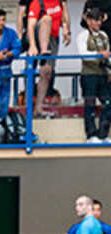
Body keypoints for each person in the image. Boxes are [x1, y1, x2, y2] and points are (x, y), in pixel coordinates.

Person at [26, 0, 71, 119]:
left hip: (52, 38)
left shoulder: (58, 3)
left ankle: (38, 108)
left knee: (46, 73)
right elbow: (30, 25)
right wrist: (32, 45)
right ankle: (43, 49)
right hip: (37, 34)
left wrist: (66, 29)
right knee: (47, 19)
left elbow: (64, 21)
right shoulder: (37, 3)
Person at [77, 7, 111, 143]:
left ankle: (103, 134)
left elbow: (108, 56)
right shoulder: (83, 36)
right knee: (90, 104)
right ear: (89, 21)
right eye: (95, 20)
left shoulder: (104, 36)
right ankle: (91, 135)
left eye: (99, 20)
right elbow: (84, 55)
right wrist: (99, 54)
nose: (98, 23)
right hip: (89, 75)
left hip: (103, 74)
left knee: (108, 104)